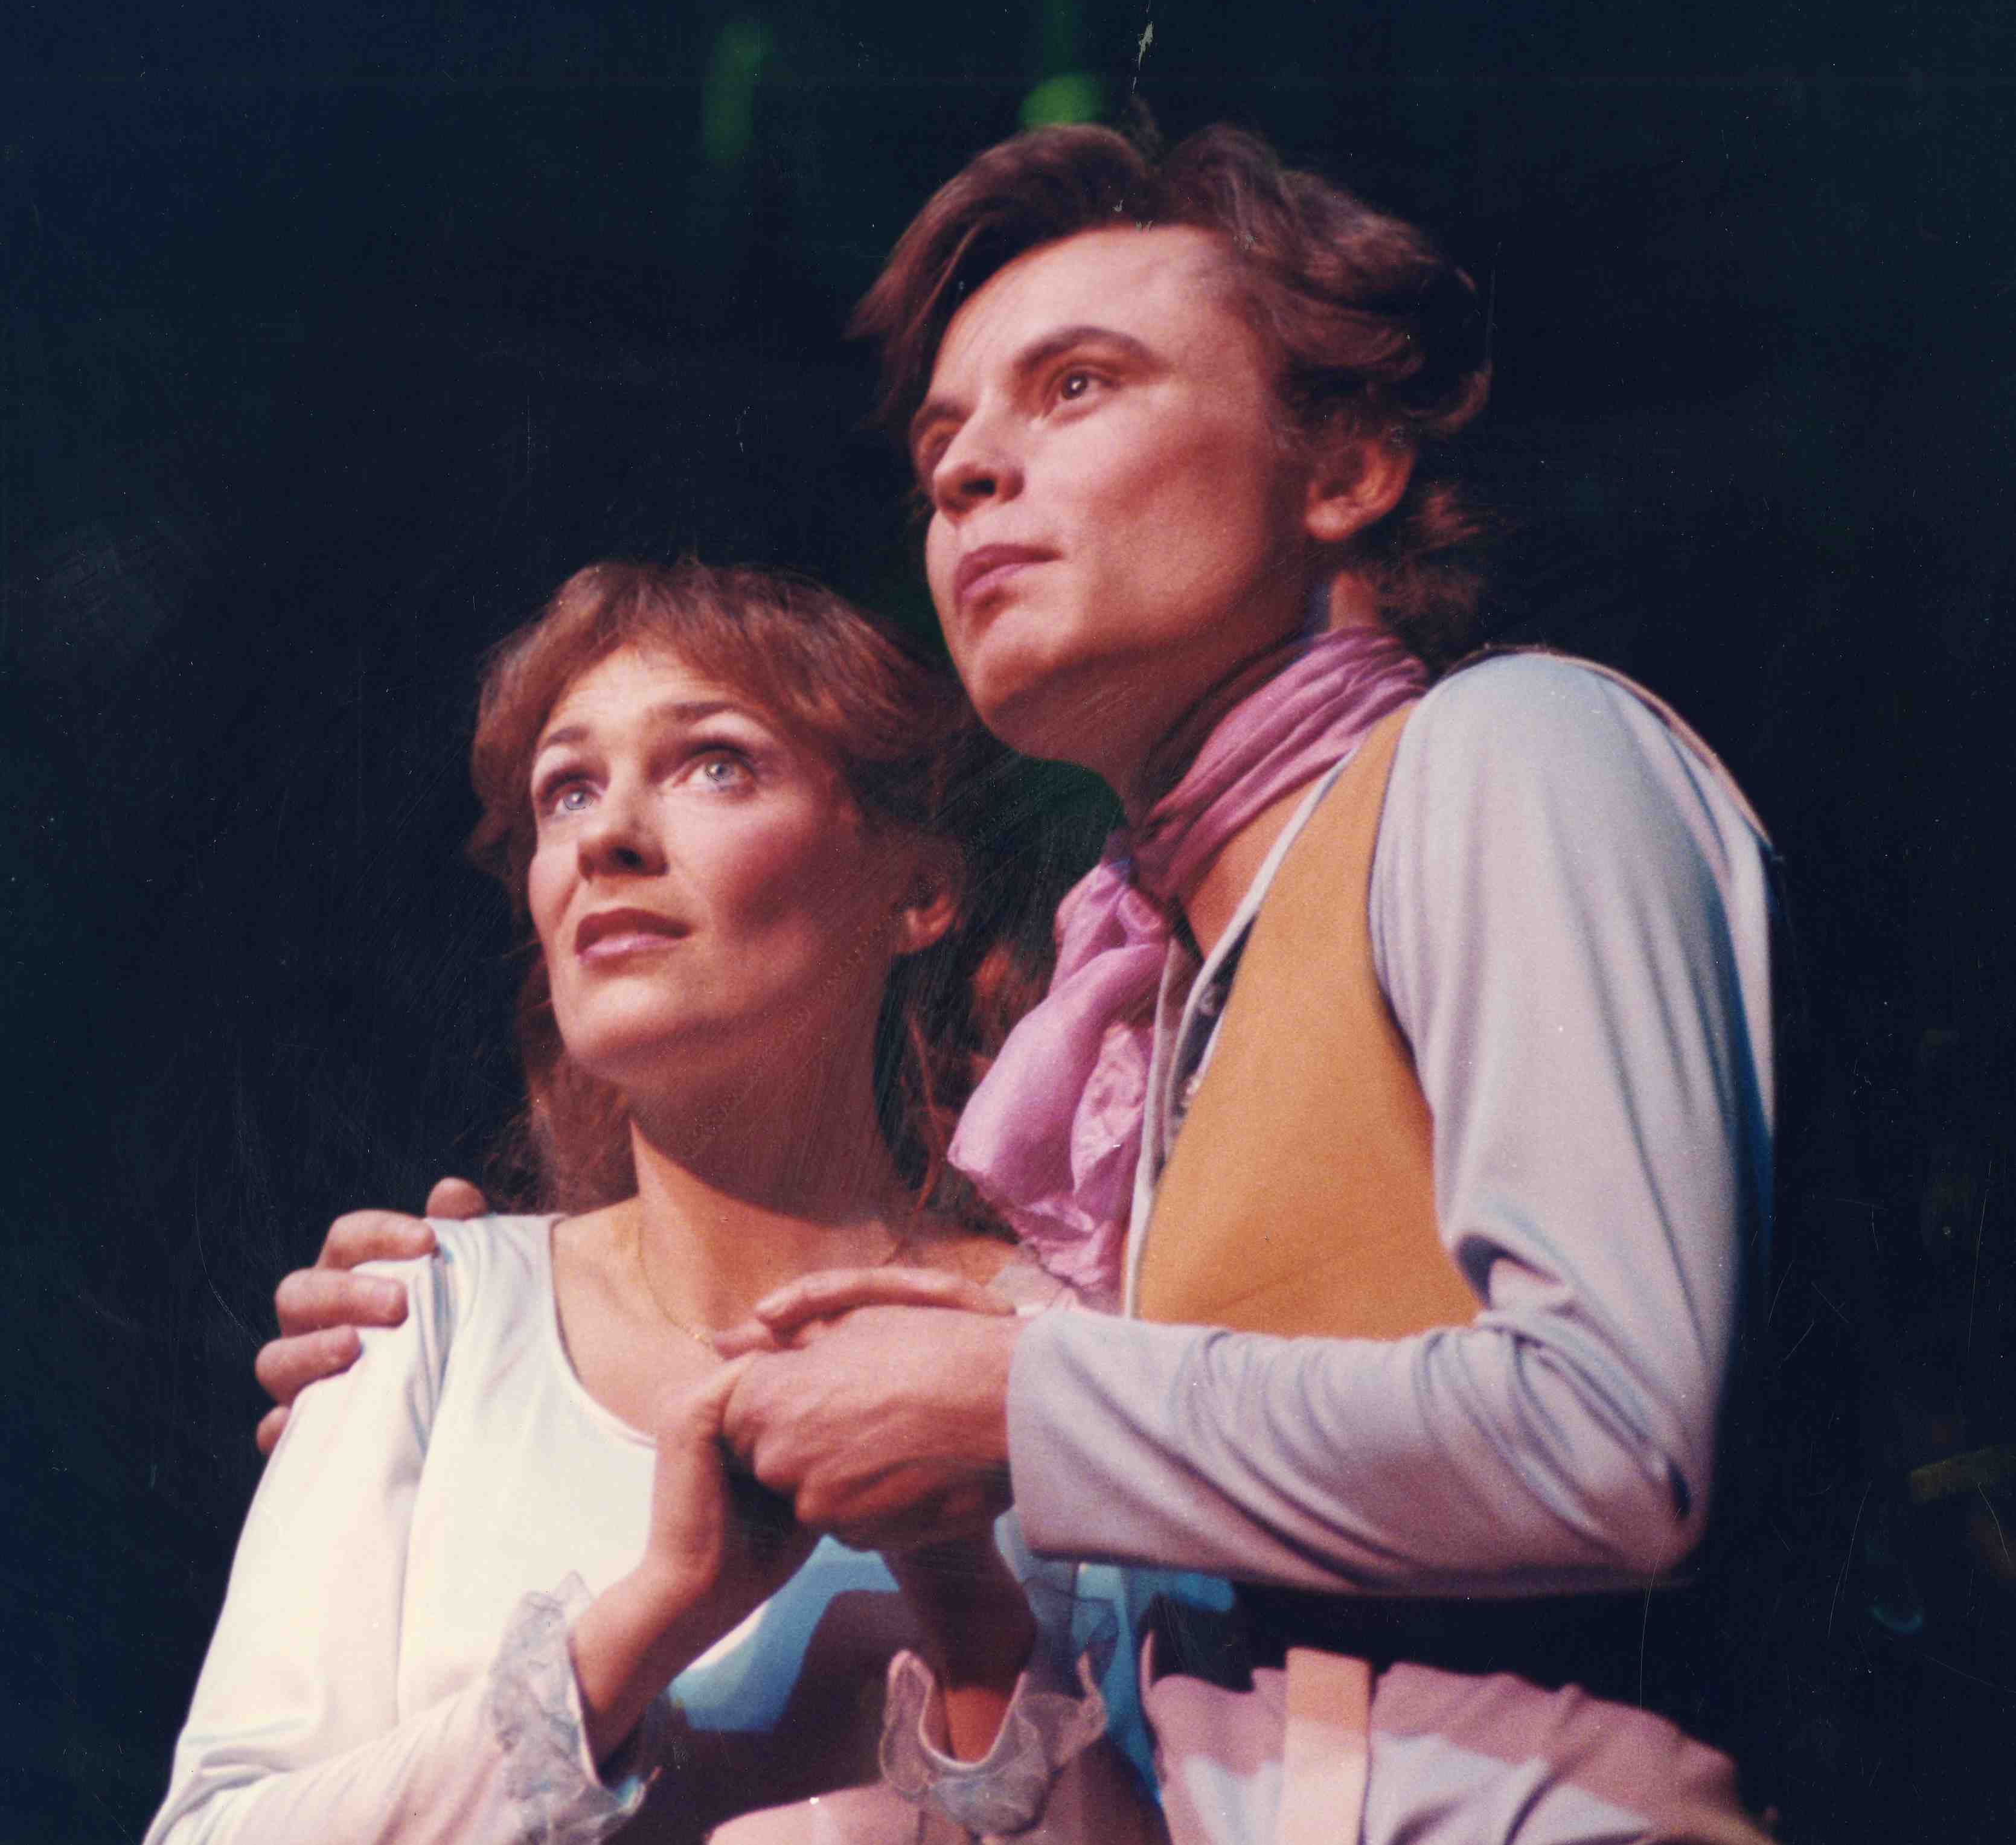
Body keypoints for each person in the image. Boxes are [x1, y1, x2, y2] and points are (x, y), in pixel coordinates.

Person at [261, 124, 1780, 1843]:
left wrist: (1012, 1408)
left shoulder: (1510, 750)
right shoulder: (1156, 1004)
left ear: (1344, 465)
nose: (974, 470)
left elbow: (1612, 1428)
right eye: (942, 450)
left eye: (1074, 387)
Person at [147, 557, 1164, 1845]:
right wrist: (653, 1615)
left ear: (917, 890)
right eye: (568, 789)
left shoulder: (1067, 1348)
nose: (606, 838)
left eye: (715, 765)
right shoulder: (424, 1317)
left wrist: (970, 1616)